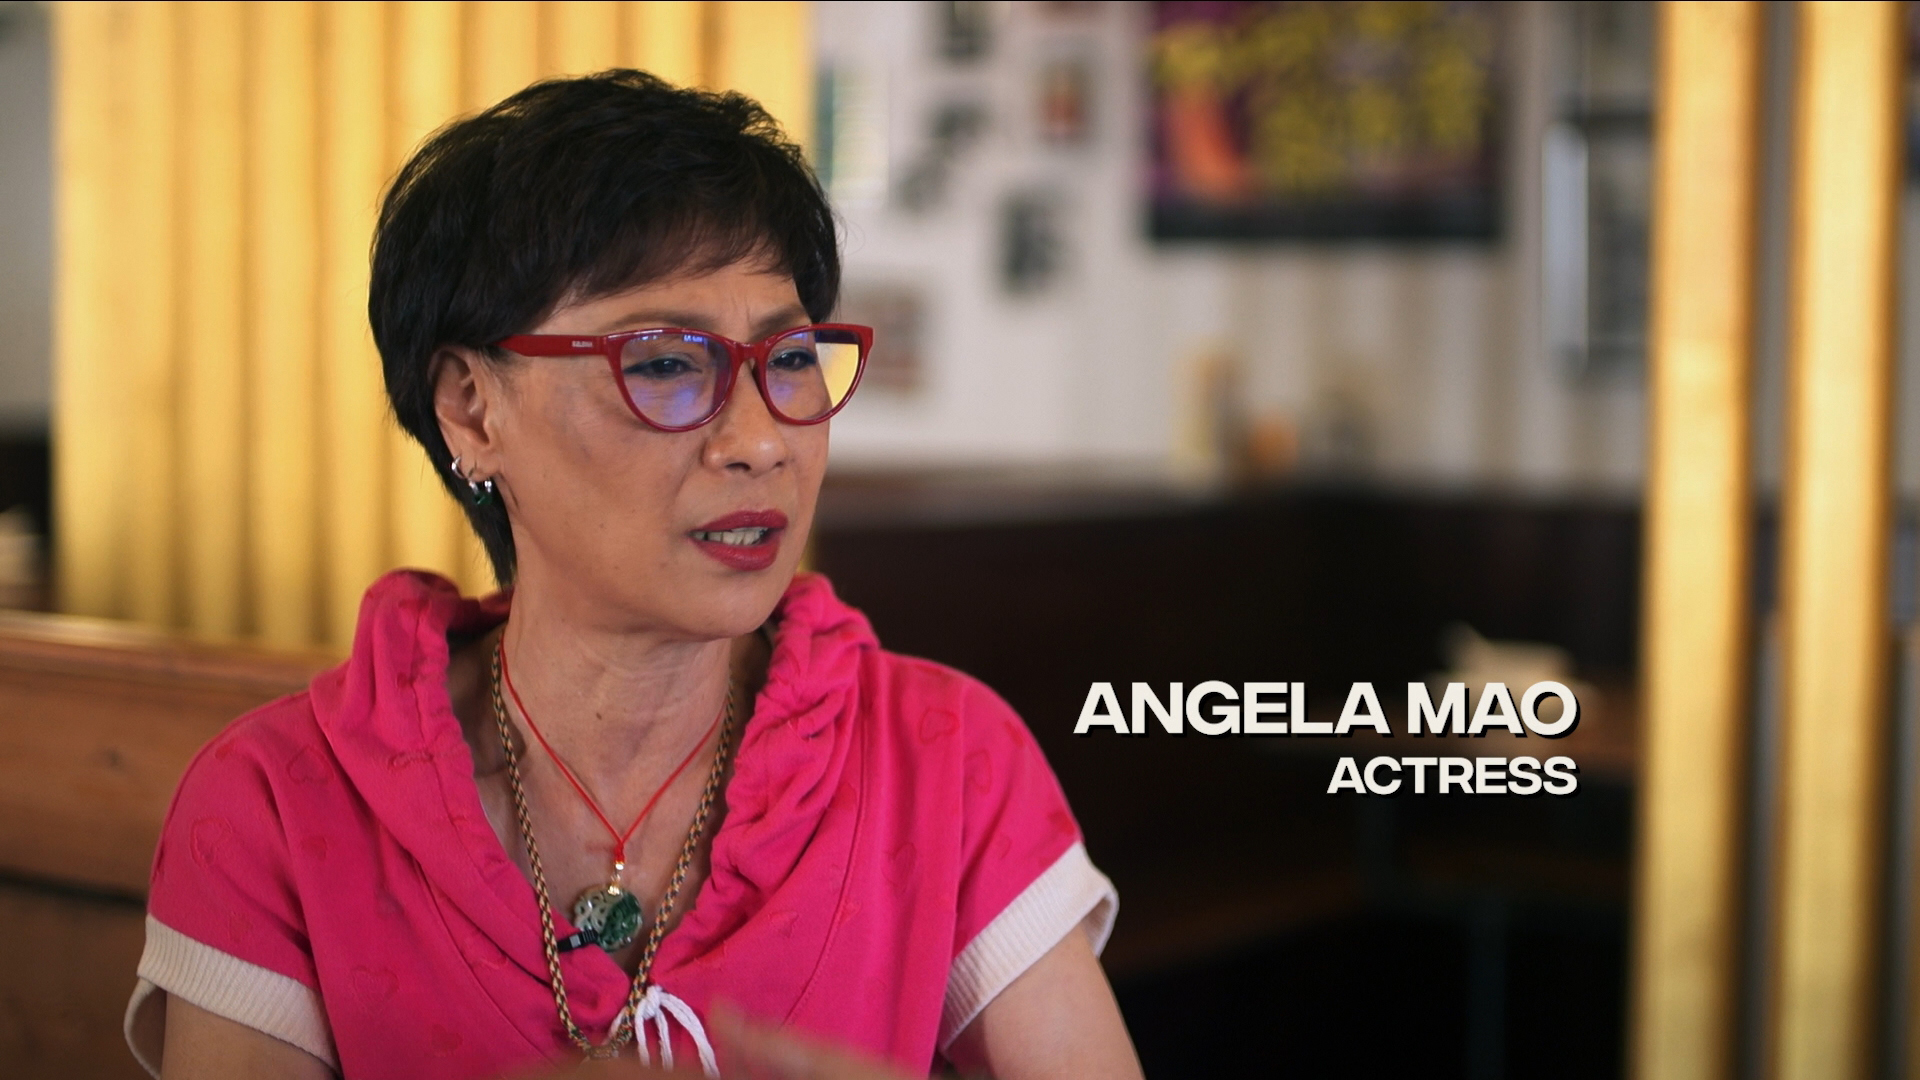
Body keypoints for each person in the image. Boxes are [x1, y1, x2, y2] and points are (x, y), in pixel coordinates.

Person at [123, 71, 1142, 1080]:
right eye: (664, 363)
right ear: (472, 409)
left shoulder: (942, 760)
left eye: (790, 358)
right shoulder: (276, 808)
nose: (761, 442)